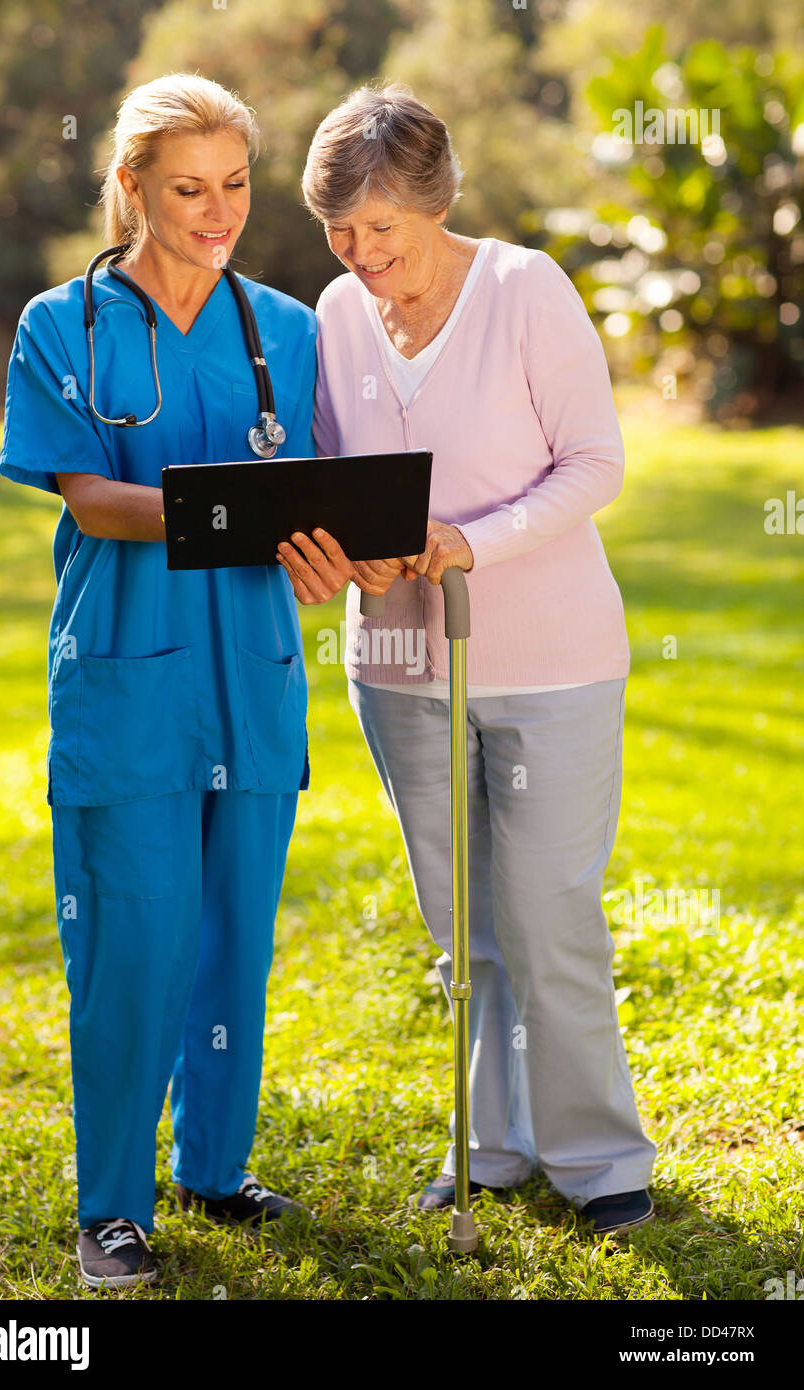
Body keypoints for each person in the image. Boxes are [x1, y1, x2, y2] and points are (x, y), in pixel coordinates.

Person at [277, 83, 657, 1236]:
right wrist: (333, 552)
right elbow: (332, 478)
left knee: (546, 914)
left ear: (435, 205)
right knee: (462, 927)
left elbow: (593, 462)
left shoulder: (522, 289)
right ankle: (486, 1146)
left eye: (380, 229)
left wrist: (466, 546)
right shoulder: (336, 314)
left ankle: (597, 1158)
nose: (358, 254)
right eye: (336, 231)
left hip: (549, 660)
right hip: (396, 664)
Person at [0, 73, 318, 1288]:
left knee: (235, 932)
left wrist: (325, 544)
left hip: (254, 664)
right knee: (134, 940)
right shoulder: (61, 325)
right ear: (129, 185)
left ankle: (215, 1167)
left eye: (234, 185)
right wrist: (239, 508)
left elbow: (313, 496)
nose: (216, 210)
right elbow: (89, 495)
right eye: (188, 187)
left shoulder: (281, 328)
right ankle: (112, 1208)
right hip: (129, 676)